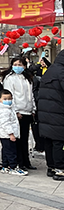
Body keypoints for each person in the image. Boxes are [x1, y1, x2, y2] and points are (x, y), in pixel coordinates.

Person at [1, 57, 36, 171]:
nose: (18, 66)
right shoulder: (9, 78)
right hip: (18, 111)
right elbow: (9, 95)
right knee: (17, 138)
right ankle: (17, 162)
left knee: (25, 138)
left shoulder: (28, 79)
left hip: (27, 111)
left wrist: (33, 109)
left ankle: (26, 161)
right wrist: (15, 111)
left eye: (20, 64)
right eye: (15, 64)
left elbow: (31, 95)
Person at [38, 53, 64, 181]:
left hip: (45, 112)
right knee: (59, 141)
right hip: (58, 112)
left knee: (49, 141)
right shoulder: (62, 71)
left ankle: (51, 167)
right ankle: (60, 169)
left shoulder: (50, 70)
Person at [0, 89, 27, 176]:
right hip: (7, 134)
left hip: (6, 134)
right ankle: (13, 167)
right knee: (11, 151)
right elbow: (5, 123)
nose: (8, 100)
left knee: (6, 150)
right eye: (5, 99)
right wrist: (11, 134)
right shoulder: (3, 110)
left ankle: (5, 166)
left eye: (9, 98)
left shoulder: (8, 108)